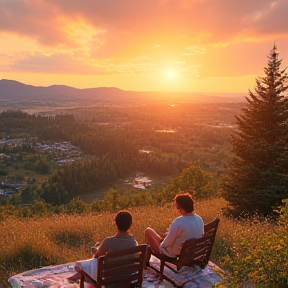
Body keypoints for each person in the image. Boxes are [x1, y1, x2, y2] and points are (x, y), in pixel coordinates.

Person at [73, 210, 137, 282]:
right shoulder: (133, 241)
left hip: (110, 279)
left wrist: (96, 249)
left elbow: (97, 256)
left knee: (79, 266)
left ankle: (77, 278)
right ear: (130, 224)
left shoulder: (108, 241)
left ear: (116, 224)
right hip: (128, 278)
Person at [145, 192, 204, 259]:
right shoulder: (199, 219)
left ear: (180, 207)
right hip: (191, 251)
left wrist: (160, 244)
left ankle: (146, 261)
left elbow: (166, 244)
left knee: (148, 231)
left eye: (175, 204)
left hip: (174, 254)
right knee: (158, 237)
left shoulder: (178, 222)